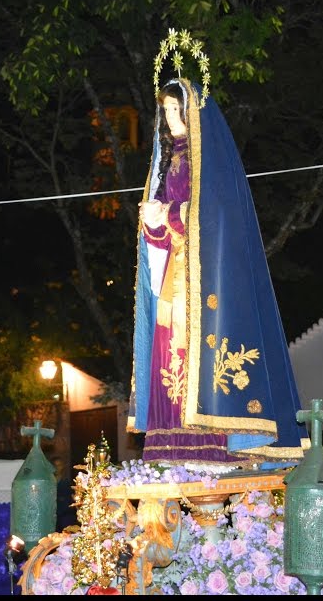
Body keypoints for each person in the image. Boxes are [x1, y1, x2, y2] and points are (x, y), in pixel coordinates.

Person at [128, 77, 307, 469]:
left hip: (206, 282)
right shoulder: (166, 164)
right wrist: (153, 223)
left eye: (177, 110)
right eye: (166, 112)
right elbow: (163, 237)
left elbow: (215, 216)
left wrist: (170, 214)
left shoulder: (209, 164)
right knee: (168, 357)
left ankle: (212, 445)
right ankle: (175, 449)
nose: (172, 119)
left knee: (201, 355)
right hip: (174, 278)